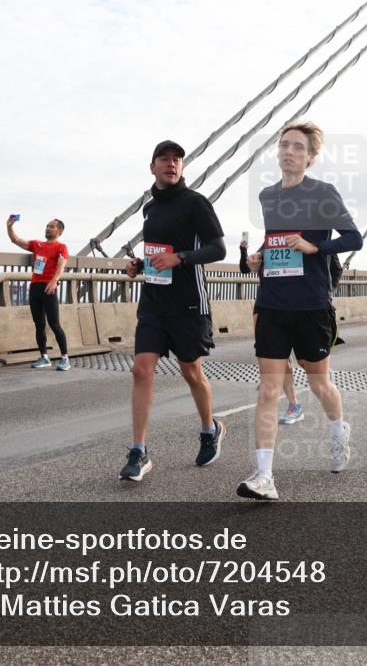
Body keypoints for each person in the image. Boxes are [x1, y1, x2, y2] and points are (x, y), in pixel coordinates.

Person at [239, 121, 363, 500]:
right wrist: (256, 259)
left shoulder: (323, 193)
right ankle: (264, 477)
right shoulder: (267, 196)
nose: (288, 152)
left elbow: (353, 237)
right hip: (273, 302)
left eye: (296, 147)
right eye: (283, 146)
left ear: (310, 157)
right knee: (269, 389)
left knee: (318, 383)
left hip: (311, 304)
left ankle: (339, 430)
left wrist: (314, 248)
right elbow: (274, 240)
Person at [119, 140, 228, 482]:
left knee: (191, 372)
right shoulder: (149, 209)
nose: (171, 164)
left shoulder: (195, 203)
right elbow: (157, 251)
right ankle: (139, 451)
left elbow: (217, 249)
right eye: (164, 159)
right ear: (152, 167)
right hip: (154, 301)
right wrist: (140, 264)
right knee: (141, 370)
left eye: (177, 160)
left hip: (188, 303)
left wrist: (179, 258)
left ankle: (210, 429)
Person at [241, 238, 304, 424]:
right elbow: (246, 268)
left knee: (303, 365)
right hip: (265, 304)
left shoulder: (305, 236)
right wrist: (246, 255)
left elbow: (331, 267)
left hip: (294, 305)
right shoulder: (270, 241)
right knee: (265, 355)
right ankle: (291, 405)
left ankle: (294, 403)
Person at [6, 216, 71, 370]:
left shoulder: (61, 247)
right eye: (47, 226)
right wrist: (9, 226)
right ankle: (44, 357)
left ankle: (65, 358)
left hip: (49, 288)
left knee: (54, 324)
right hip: (35, 288)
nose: (48, 228)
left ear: (59, 231)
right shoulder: (37, 244)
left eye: (52, 226)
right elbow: (15, 240)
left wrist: (54, 281)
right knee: (39, 325)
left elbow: (61, 265)